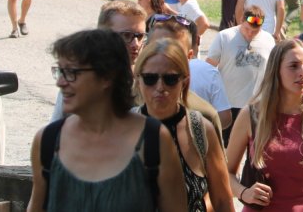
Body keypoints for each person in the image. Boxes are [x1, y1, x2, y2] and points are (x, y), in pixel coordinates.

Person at [28, 29, 186, 212]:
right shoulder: (47, 141)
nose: (61, 82)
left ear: (107, 77)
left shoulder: (153, 140)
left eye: (71, 72)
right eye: (60, 71)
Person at [225, 39, 303, 212]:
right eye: (293, 66)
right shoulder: (252, 115)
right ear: (276, 71)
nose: (302, 72)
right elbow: (225, 173)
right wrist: (243, 193)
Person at [134, 39, 236, 212]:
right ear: (138, 80)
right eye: (150, 78)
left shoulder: (201, 131)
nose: (160, 87)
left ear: (184, 81)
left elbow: (223, 202)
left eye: (170, 79)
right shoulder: (122, 129)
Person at [147, 14, 231, 132]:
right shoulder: (129, 105)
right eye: (157, 47)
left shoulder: (203, 117)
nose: (165, 55)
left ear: (189, 56)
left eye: (174, 50)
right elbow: (225, 117)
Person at [206, 5, 275, 138]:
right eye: (247, 29)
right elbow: (209, 68)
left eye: (255, 31)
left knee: (255, 147)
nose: (250, 34)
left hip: (256, 105)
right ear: (241, 20)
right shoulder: (224, 37)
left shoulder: (268, 40)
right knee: (226, 146)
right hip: (227, 104)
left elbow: (273, 70)